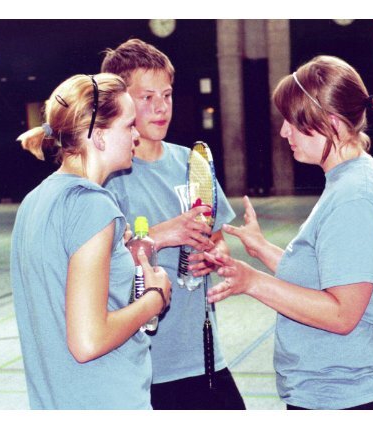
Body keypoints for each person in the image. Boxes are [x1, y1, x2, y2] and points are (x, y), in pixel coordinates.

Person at [204, 55, 373, 410]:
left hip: (345, 400)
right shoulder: (352, 177)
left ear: (330, 123)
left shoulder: (352, 197)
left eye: (293, 122)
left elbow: (342, 314)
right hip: (337, 395)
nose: (284, 132)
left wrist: (253, 282)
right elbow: (324, 277)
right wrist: (262, 249)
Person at [11, 73, 171, 409]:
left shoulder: (34, 201)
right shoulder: (92, 206)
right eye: (128, 126)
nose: (137, 135)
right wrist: (155, 298)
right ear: (98, 136)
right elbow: (87, 340)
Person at [101, 39, 245, 410]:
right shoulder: (109, 178)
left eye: (166, 94)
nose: (161, 106)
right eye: (147, 97)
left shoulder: (191, 162)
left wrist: (214, 255)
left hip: (204, 358)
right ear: (120, 100)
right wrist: (164, 235)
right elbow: (102, 268)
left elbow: (217, 241)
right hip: (144, 369)